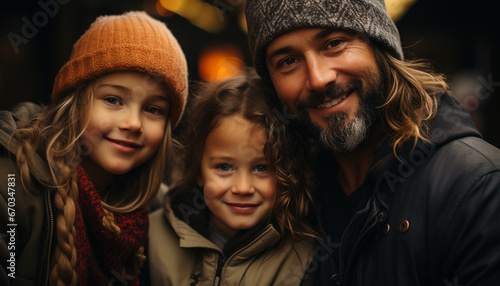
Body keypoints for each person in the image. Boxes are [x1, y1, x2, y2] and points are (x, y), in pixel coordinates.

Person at [244, 0, 500, 285]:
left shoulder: (478, 187)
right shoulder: (288, 197)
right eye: (288, 61)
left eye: (334, 43)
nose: (318, 78)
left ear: (380, 46)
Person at [0, 11, 188, 285]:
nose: (133, 123)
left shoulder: (163, 215)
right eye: (113, 99)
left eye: (152, 109)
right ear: (75, 103)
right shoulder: (11, 186)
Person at [146, 69, 316, 285]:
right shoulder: (152, 235)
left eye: (261, 168)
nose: (242, 188)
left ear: (288, 172)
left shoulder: (303, 254)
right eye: (224, 167)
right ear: (198, 172)